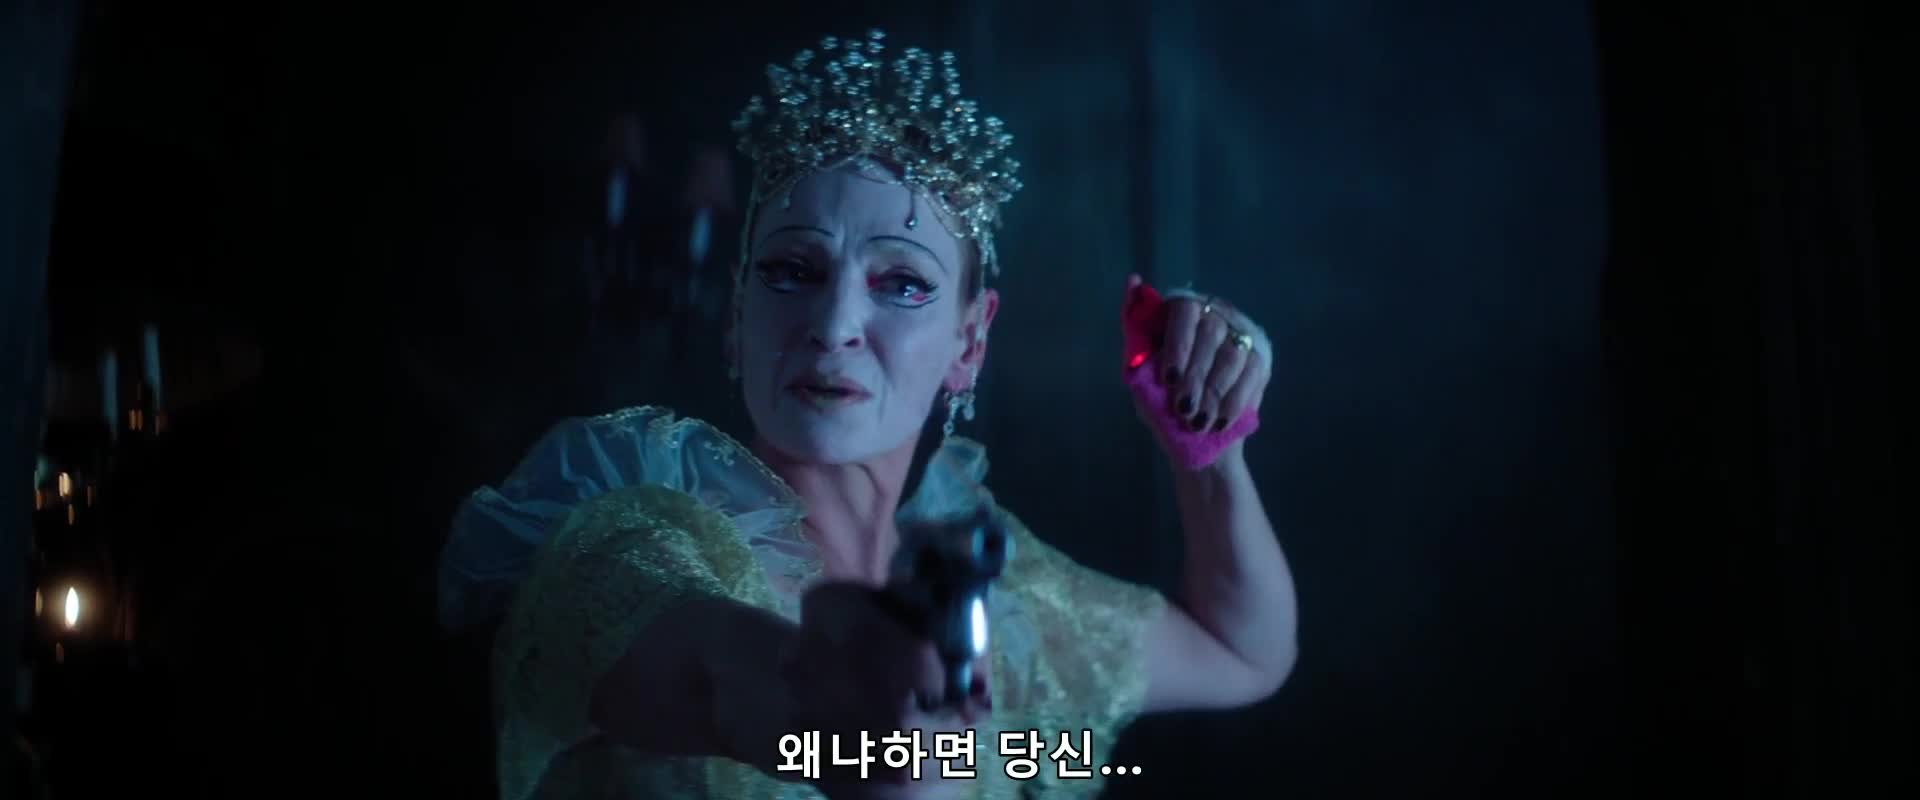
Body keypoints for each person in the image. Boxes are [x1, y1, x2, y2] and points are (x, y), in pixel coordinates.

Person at [437, 30, 1299, 800]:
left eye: (902, 283)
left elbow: (1242, 652)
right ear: (736, 316)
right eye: (792, 272)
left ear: (970, 342)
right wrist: (856, 717)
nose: (834, 325)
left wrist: (1209, 450)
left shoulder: (1009, 603)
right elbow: (729, 684)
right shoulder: (638, 545)